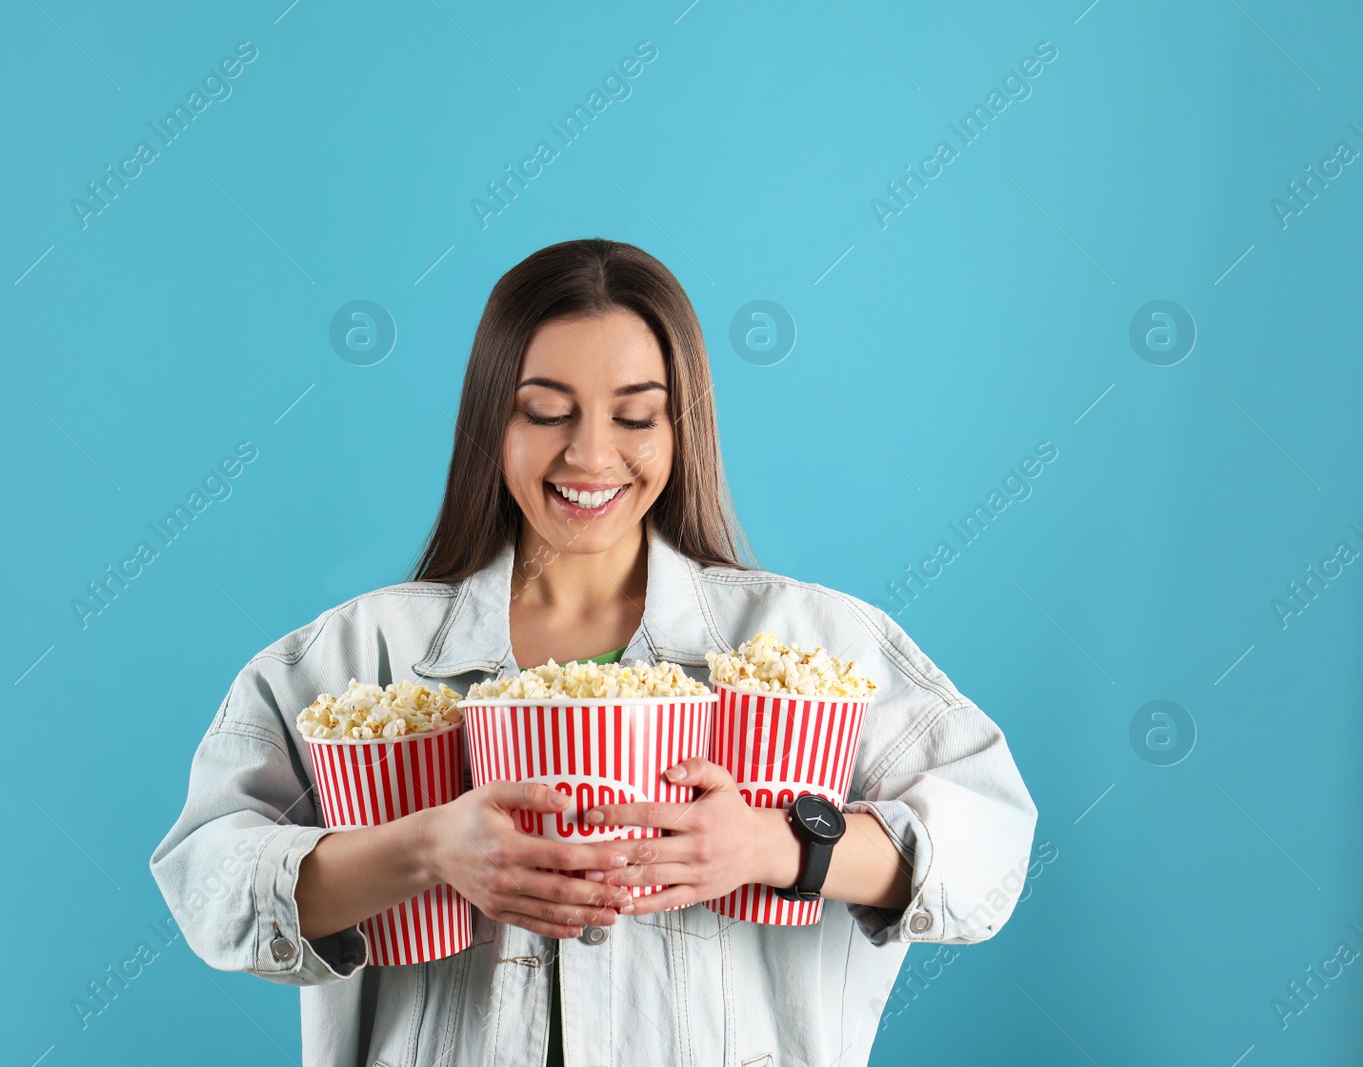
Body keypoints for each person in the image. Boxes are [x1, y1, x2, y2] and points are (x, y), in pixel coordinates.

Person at [150, 238, 1037, 1066]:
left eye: (636, 417)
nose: (591, 454)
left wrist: (773, 846)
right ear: (491, 422)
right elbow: (206, 877)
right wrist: (422, 850)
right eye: (546, 411)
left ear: (681, 428)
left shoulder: (809, 642)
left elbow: (990, 845)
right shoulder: (356, 657)